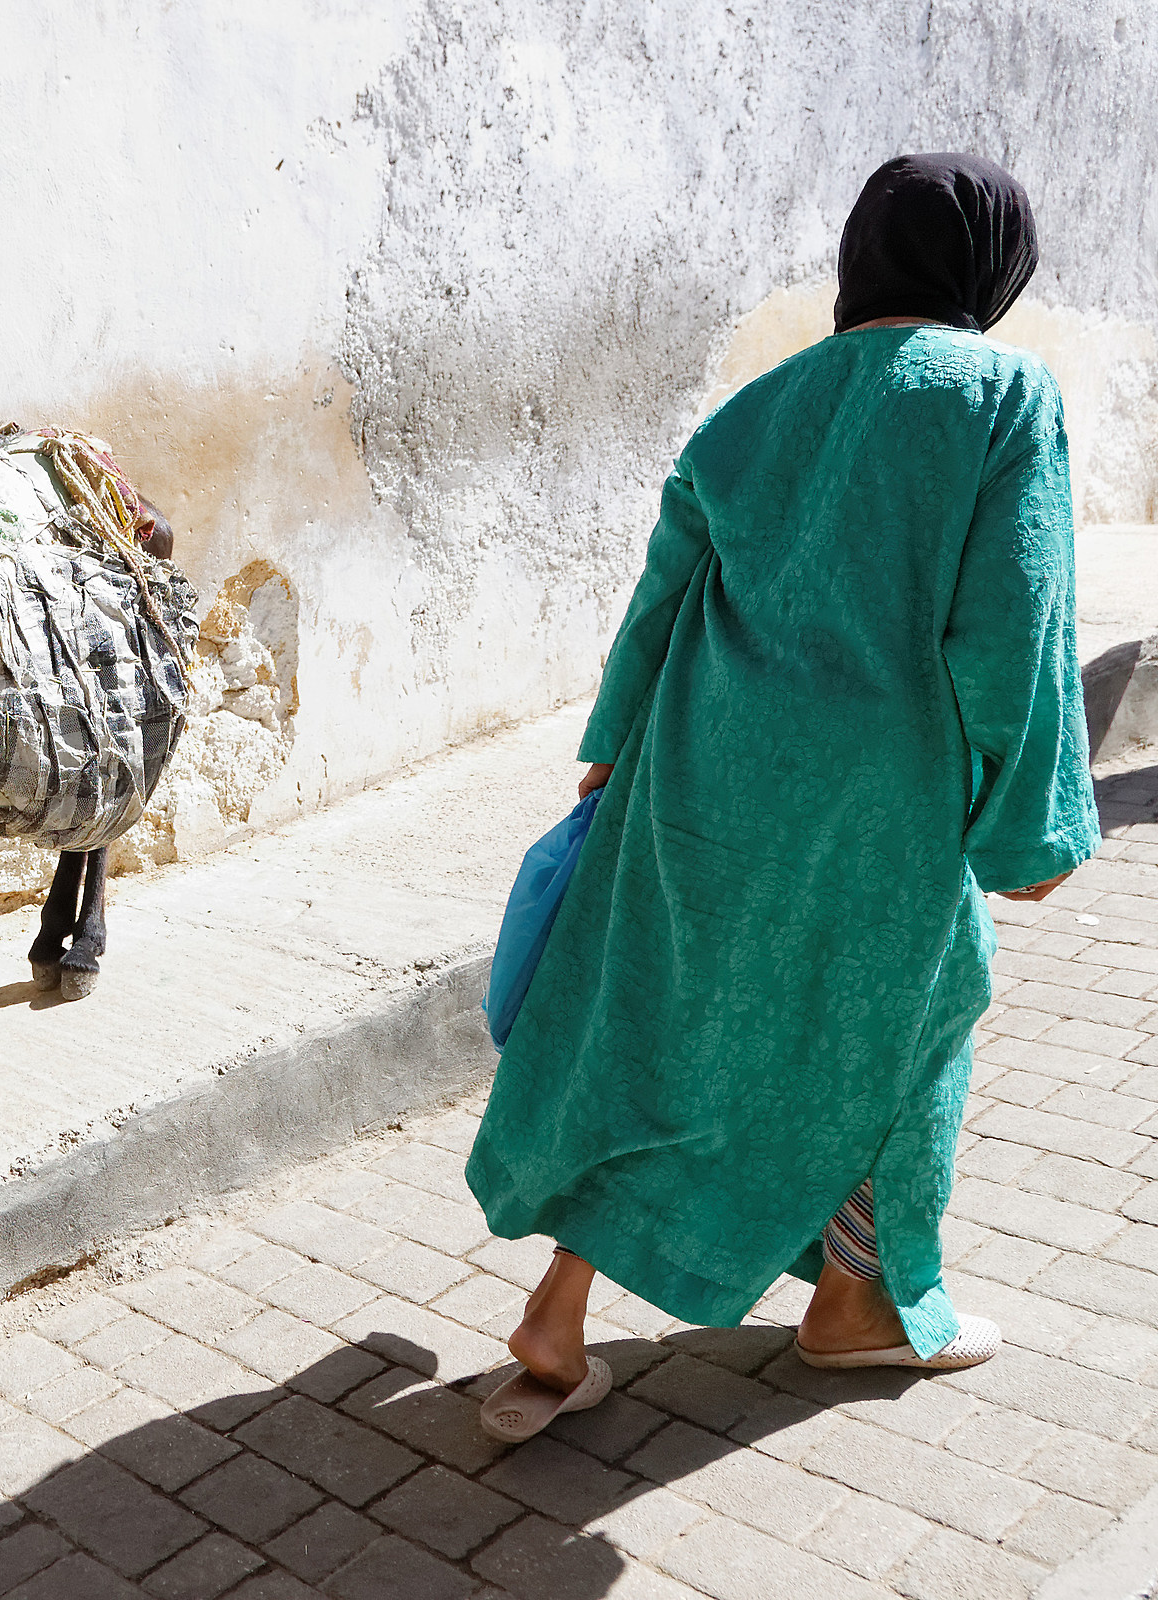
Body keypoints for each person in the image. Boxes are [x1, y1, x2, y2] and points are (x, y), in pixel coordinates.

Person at [466, 153, 1100, 1443]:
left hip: (699, 770)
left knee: (660, 1027)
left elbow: (662, 595)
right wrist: (1033, 825)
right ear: (993, 269)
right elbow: (1014, 630)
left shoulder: (753, 410)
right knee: (905, 1027)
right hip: (879, 801)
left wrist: (609, 750)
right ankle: (858, 1310)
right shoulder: (1005, 399)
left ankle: (559, 1308)